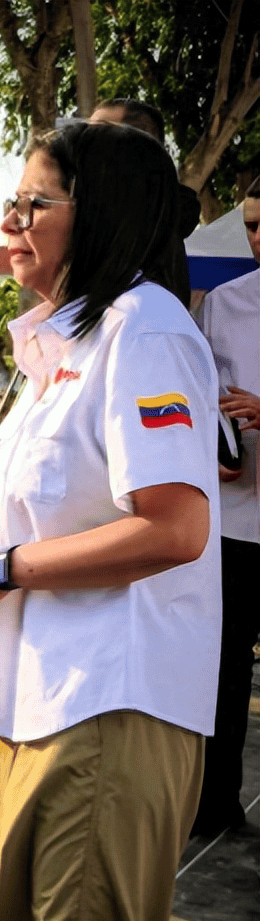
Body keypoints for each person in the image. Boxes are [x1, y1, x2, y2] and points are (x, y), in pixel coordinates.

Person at [0, 121, 220, 921]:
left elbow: (174, 526)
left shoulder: (145, 330)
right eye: (11, 204)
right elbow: (24, 491)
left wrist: (6, 568)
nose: (9, 223)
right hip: (38, 699)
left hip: (106, 707)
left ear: (97, 217)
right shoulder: (64, 343)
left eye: (32, 204)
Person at [195, 177, 260, 836]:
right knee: (224, 667)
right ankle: (216, 803)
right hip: (236, 518)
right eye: (252, 225)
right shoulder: (222, 304)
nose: (258, 239)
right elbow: (202, 400)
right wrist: (213, 441)